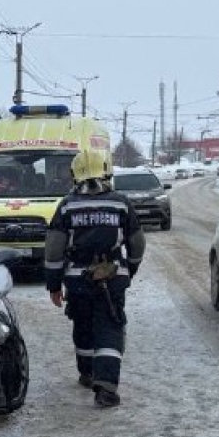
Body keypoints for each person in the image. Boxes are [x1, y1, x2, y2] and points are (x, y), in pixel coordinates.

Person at [43, 149, 145, 408]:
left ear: (74, 174)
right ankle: (106, 386)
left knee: (83, 324)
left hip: (78, 280)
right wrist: (130, 268)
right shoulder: (121, 203)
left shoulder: (67, 205)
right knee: (110, 327)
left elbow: (54, 249)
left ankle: (88, 373)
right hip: (112, 277)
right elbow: (137, 242)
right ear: (107, 171)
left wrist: (54, 284)